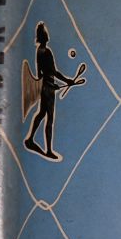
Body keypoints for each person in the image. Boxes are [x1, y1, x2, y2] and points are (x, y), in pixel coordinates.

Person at [23, 21, 81, 161]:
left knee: (41, 114)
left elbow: (39, 73)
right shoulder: (47, 51)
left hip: (45, 86)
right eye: (46, 33)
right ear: (44, 36)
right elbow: (54, 72)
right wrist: (67, 81)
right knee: (49, 118)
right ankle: (48, 150)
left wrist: (49, 83)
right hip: (48, 88)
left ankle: (30, 139)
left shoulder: (39, 51)